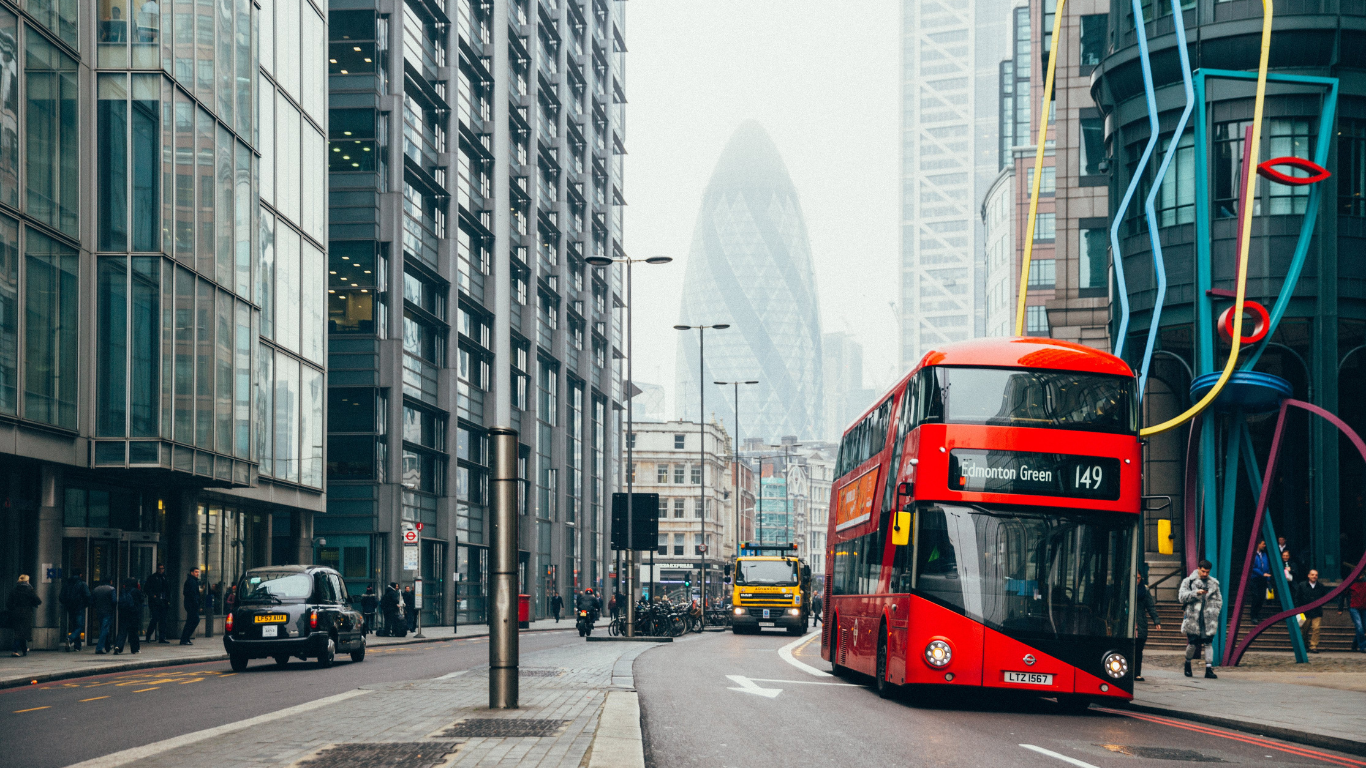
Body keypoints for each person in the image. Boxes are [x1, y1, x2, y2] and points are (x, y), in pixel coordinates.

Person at [1179, 559, 1222, 679]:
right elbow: (1181, 597)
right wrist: (1196, 593)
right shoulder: (1188, 581)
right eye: (1203, 571)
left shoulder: (1214, 583)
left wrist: (1215, 612)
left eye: (1207, 572)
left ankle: (1209, 669)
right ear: (1198, 568)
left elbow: (1219, 600)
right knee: (1192, 643)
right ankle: (1187, 663)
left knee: (1208, 643)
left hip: (1208, 618)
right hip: (1193, 618)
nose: (1205, 574)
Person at [1135, 571, 1162, 681]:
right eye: (1135, 578)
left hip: (1140, 623)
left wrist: (1156, 621)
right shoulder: (1124, 589)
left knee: (1138, 650)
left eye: (1139, 578)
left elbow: (1150, 606)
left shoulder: (1144, 591)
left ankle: (1137, 673)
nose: (1137, 580)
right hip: (1126, 623)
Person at [6, 575, 41, 657]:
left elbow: (8, 603)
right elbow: (38, 600)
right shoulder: (29, 590)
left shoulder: (14, 590)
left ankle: (24, 649)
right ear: (27, 581)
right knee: (22, 632)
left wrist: (14, 608)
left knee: (19, 631)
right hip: (27, 612)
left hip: (16, 612)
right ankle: (15, 650)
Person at [1296, 568, 1328, 653]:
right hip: (1304, 612)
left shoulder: (1320, 586)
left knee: (1316, 628)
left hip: (1317, 611)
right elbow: (1297, 597)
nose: (1314, 576)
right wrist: (1298, 609)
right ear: (1308, 575)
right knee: (1304, 630)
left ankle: (1313, 646)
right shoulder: (1302, 585)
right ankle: (1304, 645)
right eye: (1313, 575)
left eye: (1316, 575)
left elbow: (1324, 597)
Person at [59, 569, 90, 651]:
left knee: (74, 626)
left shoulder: (67, 584)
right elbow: (87, 596)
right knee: (79, 626)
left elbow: (61, 596)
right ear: (80, 575)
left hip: (70, 608)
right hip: (79, 607)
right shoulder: (82, 584)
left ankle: (77, 646)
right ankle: (70, 638)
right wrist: (85, 604)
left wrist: (67, 604)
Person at [1338, 573, 1366, 652]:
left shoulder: (1365, 582)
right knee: (1359, 626)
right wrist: (1340, 608)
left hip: (1364, 607)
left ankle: (1354, 644)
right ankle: (1363, 646)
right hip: (1353, 606)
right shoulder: (1350, 582)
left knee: (1363, 628)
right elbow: (1342, 595)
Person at [114, 578, 143, 655]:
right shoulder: (136, 591)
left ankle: (118, 646)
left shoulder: (123, 590)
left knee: (122, 631)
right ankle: (135, 649)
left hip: (123, 613)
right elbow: (141, 599)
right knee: (133, 632)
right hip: (133, 613)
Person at [143, 563, 170, 644]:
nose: (161, 570)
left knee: (163, 620)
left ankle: (162, 637)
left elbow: (168, 589)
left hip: (163, 601)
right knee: (155, 619)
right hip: (155, 602)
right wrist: (153, 596)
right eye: (159, 568)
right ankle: (148, 636)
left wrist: (168, 599)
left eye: (162, 568)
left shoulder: (165, 578)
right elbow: (147, 589)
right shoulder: (152, 578)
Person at [91, 578, 117, 654]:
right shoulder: (111, 589)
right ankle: (99, 647)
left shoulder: (96, 589)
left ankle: (107, 646)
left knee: (104, 628)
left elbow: (92, 601)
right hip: (108, 611)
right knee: (105, 629)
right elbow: (114, 601)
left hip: (99, 611)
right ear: (110, 581)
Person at [1250, 541, 1272, 622]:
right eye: (1263, 544)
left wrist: (1268, 579)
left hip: (1263, 579)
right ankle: (1253, 615)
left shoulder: (1264, 554)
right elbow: (1252, 567)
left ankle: (1257, 613)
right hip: (1255, 579)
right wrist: (1262, 574)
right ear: (1258, 544)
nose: (1264, 545)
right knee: (1256, 597)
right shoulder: (1252, 554)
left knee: (1262, 597)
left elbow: (1267, 566)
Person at [179, 567, 202, 645]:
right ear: (191, 572)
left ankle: (186, 638)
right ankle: (184, 638)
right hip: (191, 605)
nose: (197, 573)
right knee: (193, 621)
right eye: (195, 572)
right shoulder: (191, 581)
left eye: (198, 572)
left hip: (191, 604)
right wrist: (196, 604)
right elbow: (192, 595)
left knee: (191, 621)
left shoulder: (194, 581)